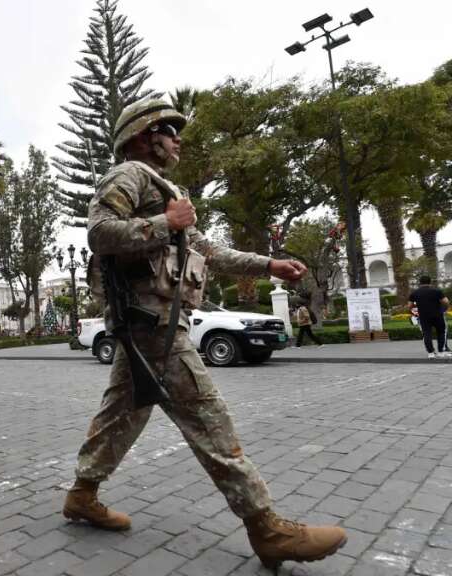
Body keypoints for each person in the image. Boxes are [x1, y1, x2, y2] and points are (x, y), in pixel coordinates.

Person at [64, 97, 346, 570]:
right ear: (143, 135)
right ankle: (267, 528)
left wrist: (268, 264)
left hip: (151, 326)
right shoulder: (128, 175)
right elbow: (99, 234)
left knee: (121, 415)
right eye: (170, 130)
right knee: (211, 422)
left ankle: (81, 494)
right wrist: (164, 222)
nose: (178, 139)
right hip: (153, 328)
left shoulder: (161, 185)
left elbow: (206, 250)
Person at [409, 275, 450, 359]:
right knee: (441, 333)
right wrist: (444, 308)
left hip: (424, 316)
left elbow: (410, 306)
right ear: (430, 282)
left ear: (420, 283)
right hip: (438, 315)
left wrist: (417, 308)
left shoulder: (415, 293)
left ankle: (431, 353)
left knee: (426, 334)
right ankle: (441, 352)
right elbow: (446, 301)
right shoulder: (436, 291)